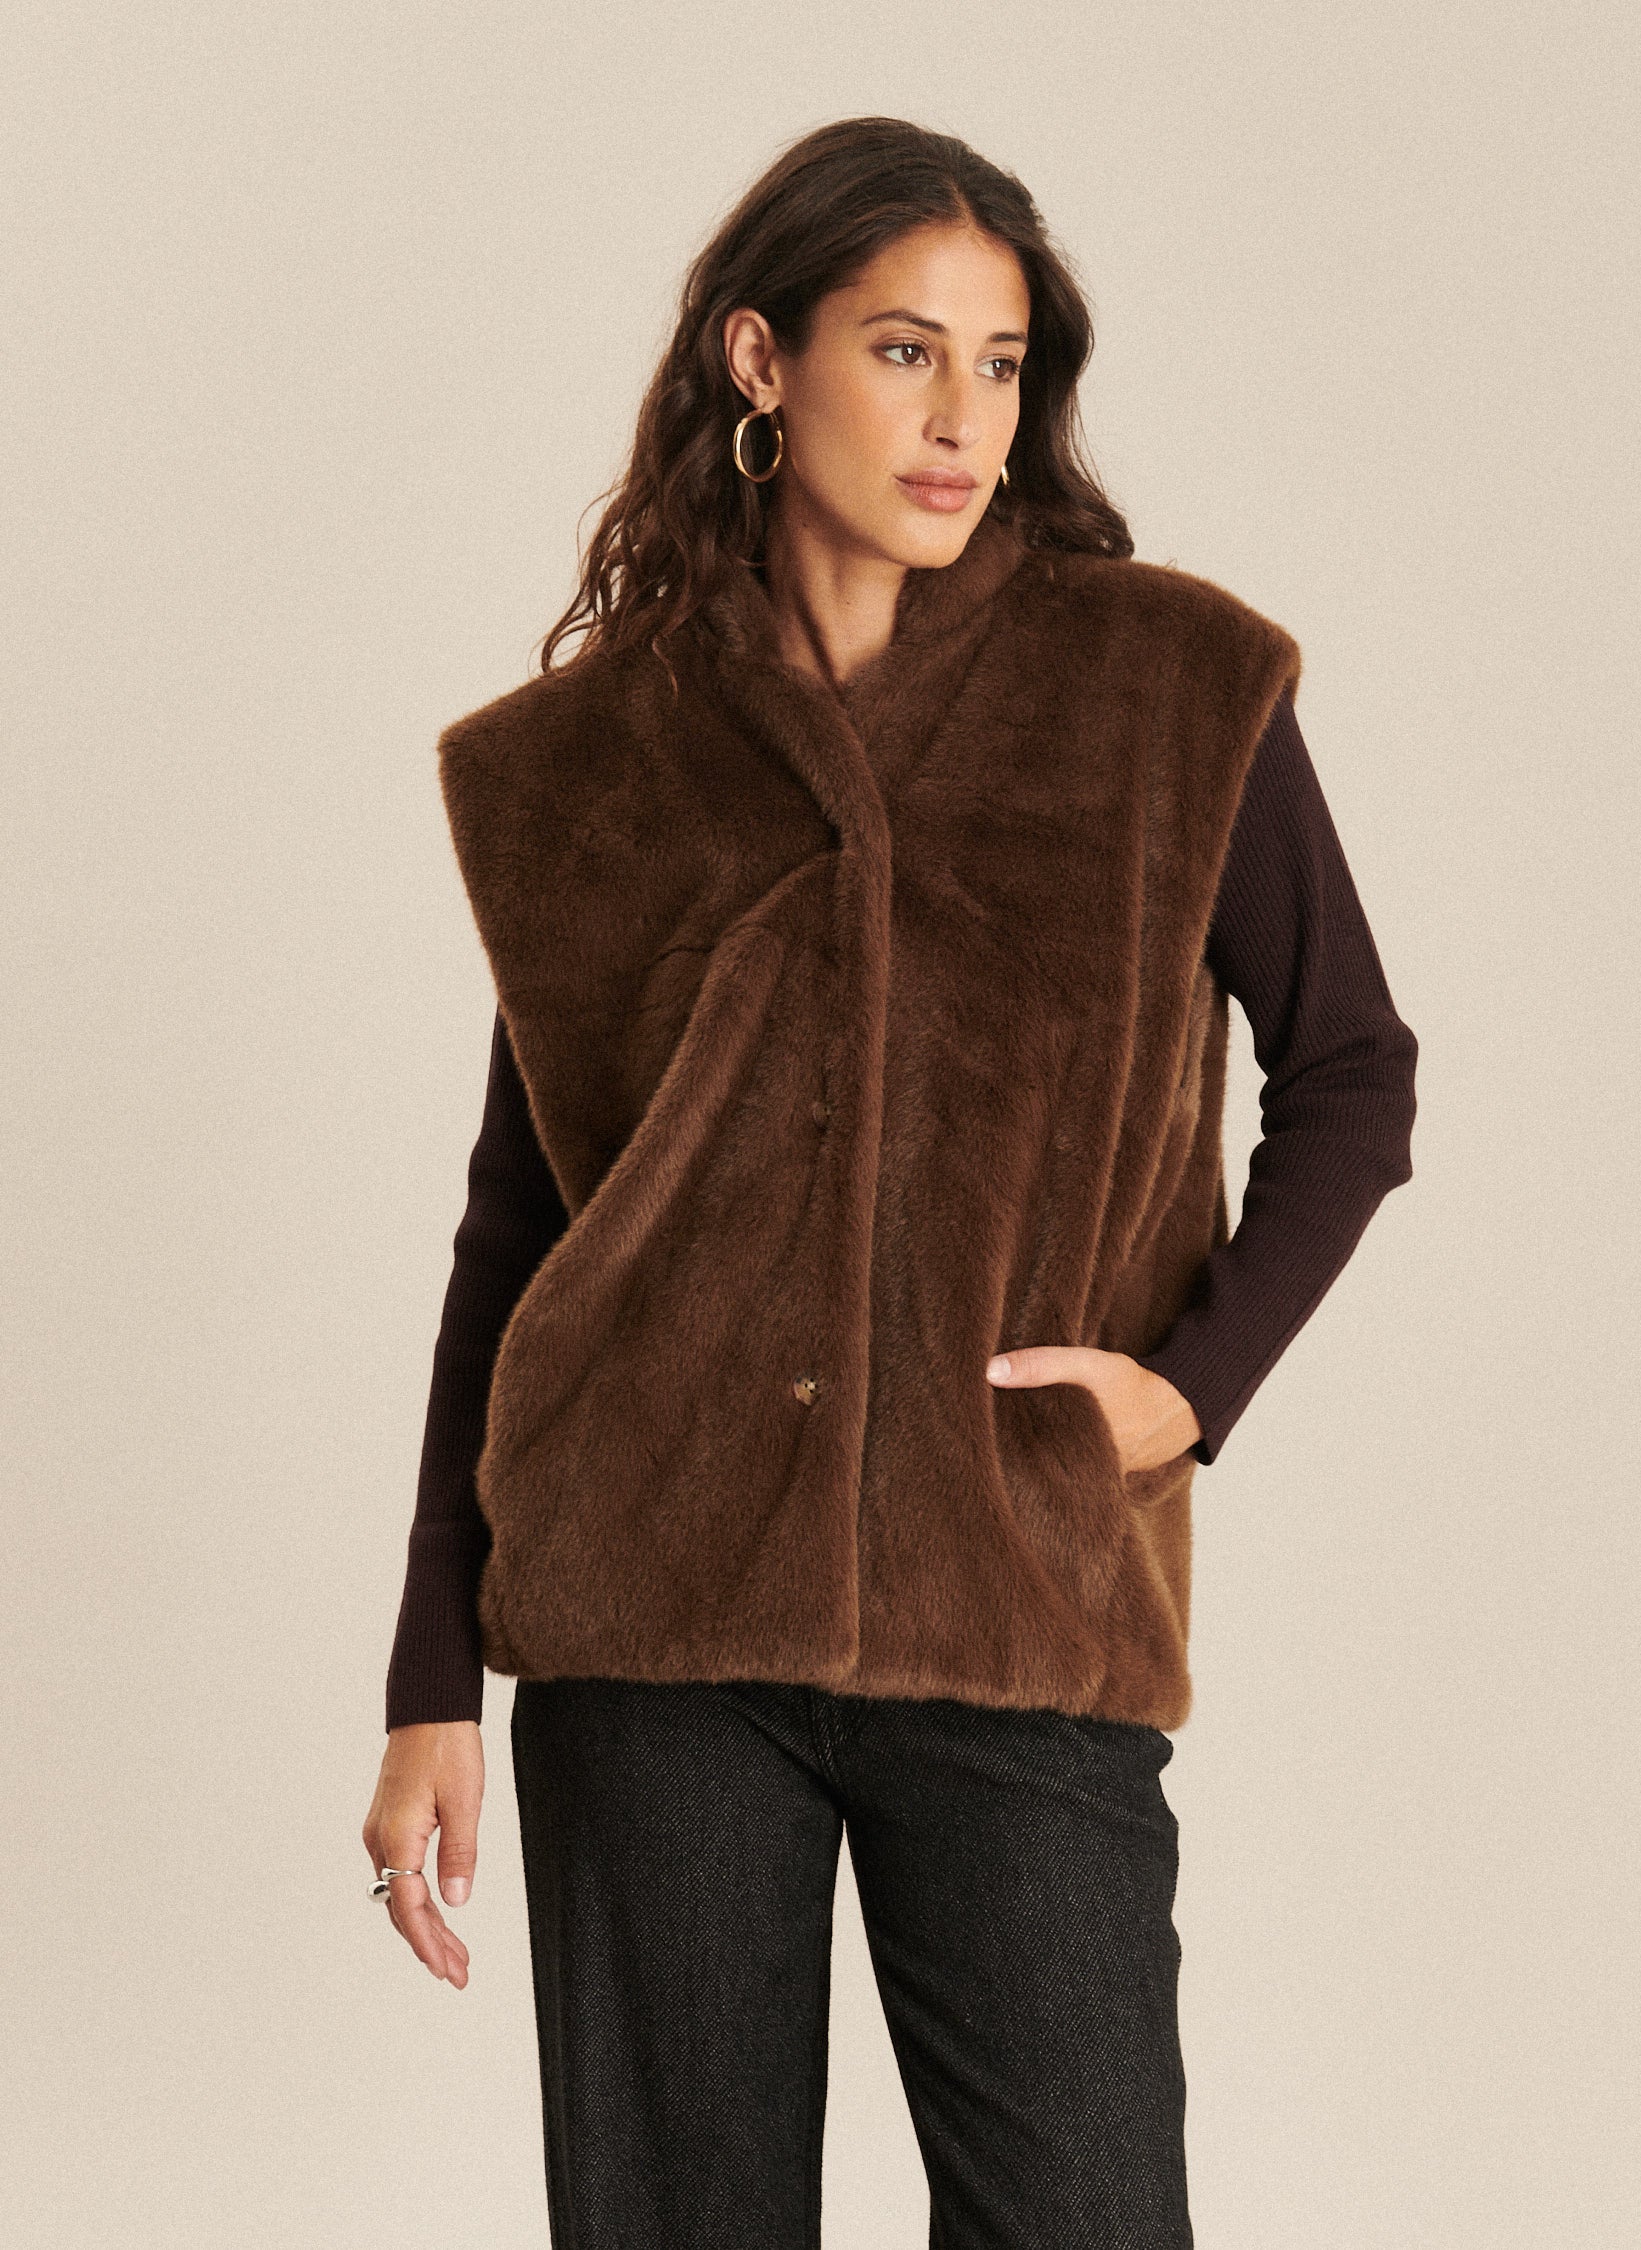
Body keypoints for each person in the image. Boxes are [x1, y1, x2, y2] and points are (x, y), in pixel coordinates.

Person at [363, 116, 1417, 2250]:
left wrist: (1189, 1390)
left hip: (1018, 1591)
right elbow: (523, 1225)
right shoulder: (589, 765)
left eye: (1001, 365)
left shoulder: (1171, 691)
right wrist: (426, 1674)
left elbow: (1354, 1076)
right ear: (763, 362)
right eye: (907, 351)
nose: (963, 421)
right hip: (648, 1616)